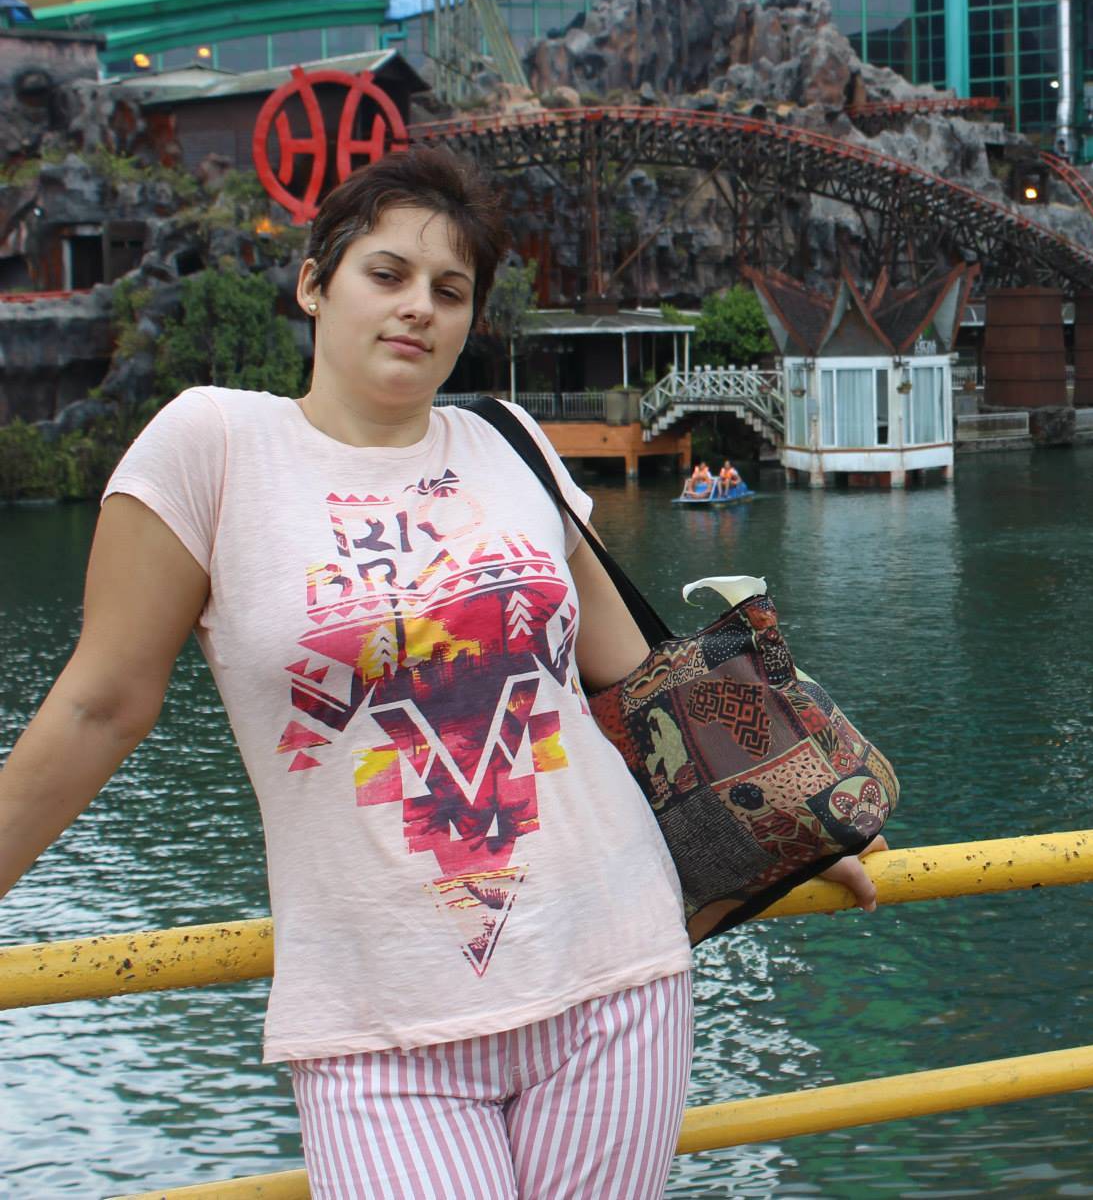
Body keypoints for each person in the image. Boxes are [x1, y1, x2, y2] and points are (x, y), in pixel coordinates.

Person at [0, 149, 881, 1198]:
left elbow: (631, 679)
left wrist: (783, 820)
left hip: (613, 967)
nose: (418, 305)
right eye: (387, 273)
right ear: (314, 283)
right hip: (379, 1022)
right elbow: (100, 706)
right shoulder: (215, 447)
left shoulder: (507, 442)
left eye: (450, 290)